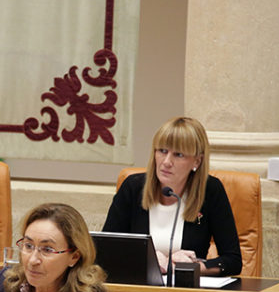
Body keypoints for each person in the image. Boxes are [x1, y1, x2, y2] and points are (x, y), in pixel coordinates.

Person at [102, 116, 242, 276]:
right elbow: (106, 251)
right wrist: (149, 259)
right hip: (139, 289)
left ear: (197, 161)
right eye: (162, 151)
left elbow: (232, 261)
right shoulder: (133, 188)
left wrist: (186, 267)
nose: (167, 161)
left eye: (178, 155)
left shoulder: (210, 191)